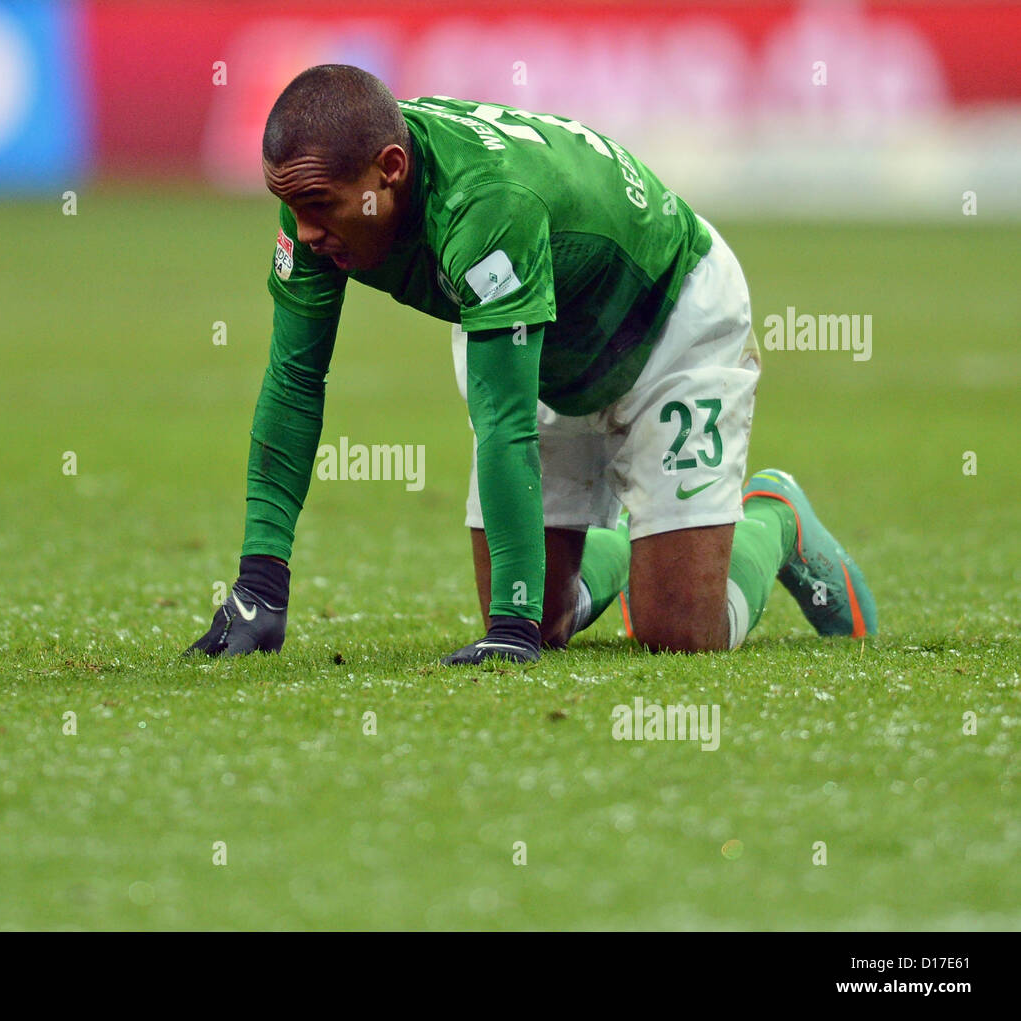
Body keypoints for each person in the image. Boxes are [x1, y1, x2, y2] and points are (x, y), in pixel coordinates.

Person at [185, 64, 876, 665]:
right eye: (289, 205)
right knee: (544, 616)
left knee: (681, 632)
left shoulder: (485, 208)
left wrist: (508, 630)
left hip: (666, 321)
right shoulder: (323, 195)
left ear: (390, 170)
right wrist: (260, 583)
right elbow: (295, 381)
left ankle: (772, 515)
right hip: (529, 329)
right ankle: (642, 549)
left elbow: (503, 417)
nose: (303, 233)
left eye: (317, 208)